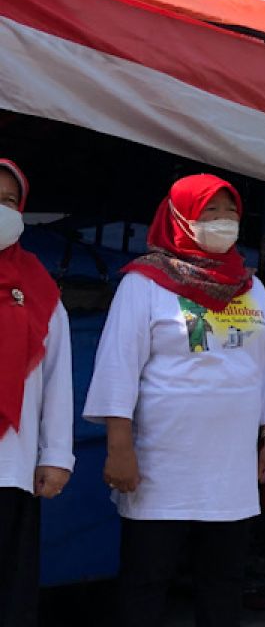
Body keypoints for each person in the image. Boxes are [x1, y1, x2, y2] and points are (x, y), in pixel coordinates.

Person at [84, 174, 265, 627]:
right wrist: (120, 447)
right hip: (161, 468)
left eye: (229, 212)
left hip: (231, 471)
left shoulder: (253, 288)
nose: (222, 222)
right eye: (207, 213)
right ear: (179, 219)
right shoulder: (145, 282)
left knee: (223, 584)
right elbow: (119, 365)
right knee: (146, 582)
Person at [0, 160, 72, 627]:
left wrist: (56, 455)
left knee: (8, 590)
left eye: (8, 202)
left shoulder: (39, 287)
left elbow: (57, 374)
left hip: (12, 464)